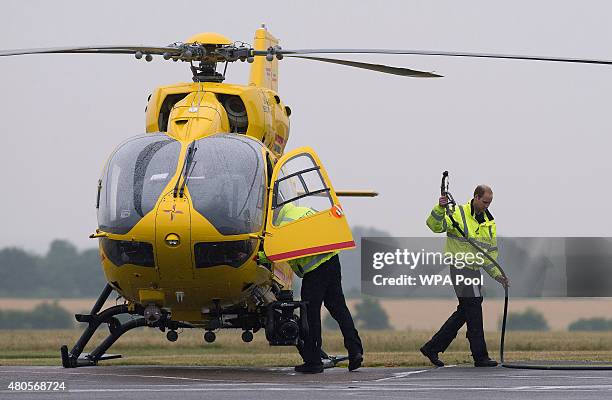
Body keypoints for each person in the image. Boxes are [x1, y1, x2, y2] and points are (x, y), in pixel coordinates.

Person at [263, 202, 364, 374]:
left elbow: (282, 251)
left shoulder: (283, 225)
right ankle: (355, 350)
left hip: (315, 271)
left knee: (310, 315)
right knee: (339, 308)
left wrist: (262, 256)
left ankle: (313, 361)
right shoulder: (307, 211)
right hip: (332, 261)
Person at [420, 185, 510, 368]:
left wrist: (497, 274)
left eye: (489, 203)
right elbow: (434, 226)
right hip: (459, 268)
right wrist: (440, 208)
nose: (487, 206)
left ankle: (432, 347)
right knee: (474, 308)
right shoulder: (457, 213)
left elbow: (489, 254)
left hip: (474, 269)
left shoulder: (489, 223)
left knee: (466, 310)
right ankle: (480, 356)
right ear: (476, 197)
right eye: (485, 202)